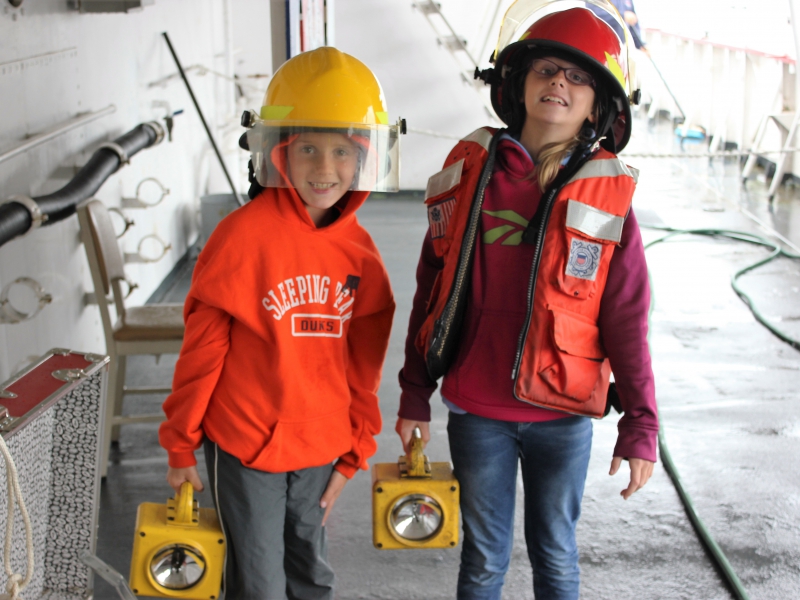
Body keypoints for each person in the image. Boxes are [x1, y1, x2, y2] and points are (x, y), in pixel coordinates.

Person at [396, 1, 658, 599]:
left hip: (562, 419)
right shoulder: (468, 173)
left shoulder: (610, 196)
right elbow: (431, 284)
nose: (559, 83)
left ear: (600, 106)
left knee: (556, 556)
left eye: (579, 78)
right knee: (483, 560)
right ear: (517, 84)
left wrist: (641, 424)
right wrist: (415, 391)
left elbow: (626, 318)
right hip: (477, 412)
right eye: (545, 70)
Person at [159, 46, 400, 599]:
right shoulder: (241, 238)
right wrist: (179, 444)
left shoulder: (360, 255)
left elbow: (362, 367)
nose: (324, 168)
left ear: (366, 158)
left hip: (319, 446)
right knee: (258, 583)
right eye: (308, 148)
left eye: (342, 151)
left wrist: (356, 447)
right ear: (278, 152)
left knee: (311, 577)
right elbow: (203, 351)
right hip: (246, 444)